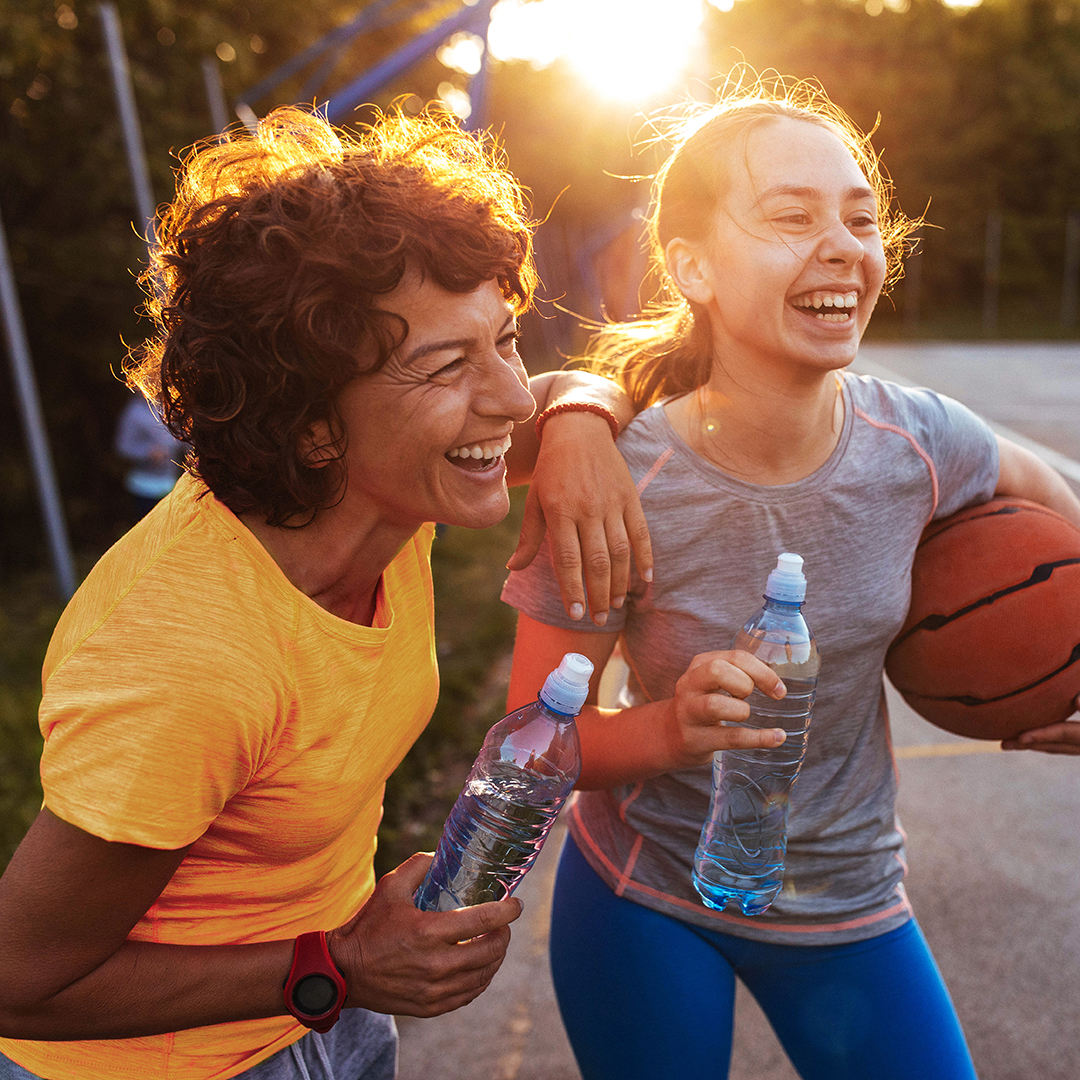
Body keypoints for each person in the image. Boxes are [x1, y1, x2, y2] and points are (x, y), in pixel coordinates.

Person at [0, 105, 651, 1080]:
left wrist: (585, 419)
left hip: (331, 1019)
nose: (510, 397)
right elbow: (20, 978)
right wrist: (336, 964)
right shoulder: (185, 658)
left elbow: (552, 396)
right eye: (447, 365)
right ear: (311, 428)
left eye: (504, 339)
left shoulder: (392, 484)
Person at [502, 79, 1080, 1080]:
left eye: (861, 218)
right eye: (792, 215)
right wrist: (667, 730)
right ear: (691, 267)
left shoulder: (920, 443)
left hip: (851, 898)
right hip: (647, 896)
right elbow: (524, 746)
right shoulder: (618, 479)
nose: (843, 245)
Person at [113, 394, 187, 517]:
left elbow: (180, 438)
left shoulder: (169, 406)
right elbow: (123, 447)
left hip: (171, 482)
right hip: (144, 486)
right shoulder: (134, 412)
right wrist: (148, 452)